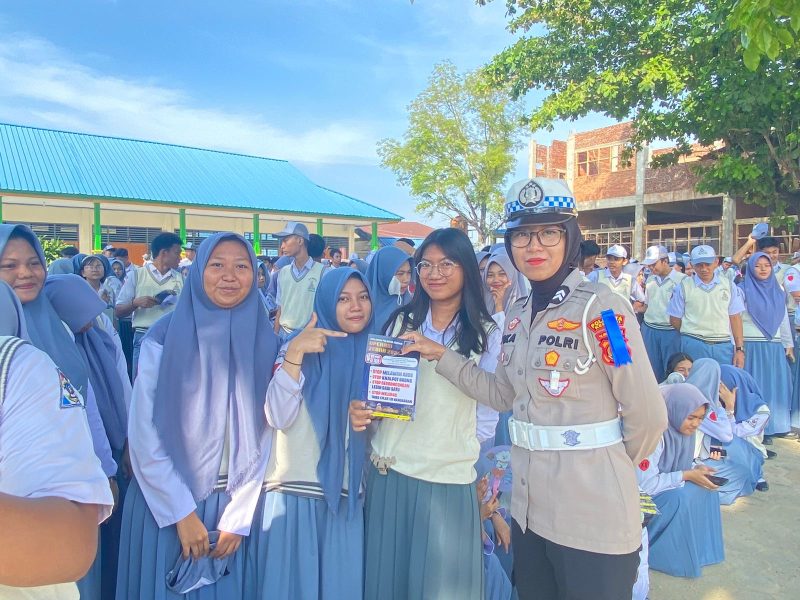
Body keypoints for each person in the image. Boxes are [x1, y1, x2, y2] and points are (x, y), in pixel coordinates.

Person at [383, 179, 668, 600]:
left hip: (593, 513)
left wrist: (604, 466)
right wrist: (439, 353)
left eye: (548, 232)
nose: (534, 245)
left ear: (569, 237)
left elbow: (647, 414)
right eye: (521, 235)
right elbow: (501, 394)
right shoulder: (516, 315)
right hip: (530, 513)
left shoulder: (601, 311)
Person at [117, 232, 279, 599]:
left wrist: (239, 517)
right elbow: (144, 431)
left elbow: (266, 432)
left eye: (241, 267)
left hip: (232, 511)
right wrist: (181, 513)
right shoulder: (163, 337)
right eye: (217, 265)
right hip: (167, 505)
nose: (229, 276)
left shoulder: (265, 341)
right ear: (198, 270)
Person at [350, 227, 499, 600]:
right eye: (425, 265)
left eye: (446, 264)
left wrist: (449, 449)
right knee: (389, 583)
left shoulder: (486, 334)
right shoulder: (400, 322)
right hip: (391, 473)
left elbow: (488, 414)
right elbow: (381, 395)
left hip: (447, 480)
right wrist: (366, 413)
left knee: (441, 587)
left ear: (466, 268)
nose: (435, 273)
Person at [0, 224, 118, 600]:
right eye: (9, 265)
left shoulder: (60, 329)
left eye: (34, 263)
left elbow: (84, 403)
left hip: (69, 488)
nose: (25, 273)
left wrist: (105, 468)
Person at [249, 268, 369, 599]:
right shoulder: (296, 347)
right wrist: (295, 356)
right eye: (343, 299)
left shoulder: (377, 355)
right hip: (294, 496)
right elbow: (277, 416)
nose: (355, 306)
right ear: (326, 302)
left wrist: (368, 419)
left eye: (363, 297)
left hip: (346, 498)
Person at [44, 274, 133, 598]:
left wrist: (128, 440)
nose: (91, 319)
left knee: (111, 537)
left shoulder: (99, 337)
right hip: (82, 462)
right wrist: (105, 468)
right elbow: (88, 411)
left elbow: (122, 385)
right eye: (82, 312)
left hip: (114, 446)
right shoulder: (57, 348)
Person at [637, 383, 724, 578]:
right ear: (674, 410)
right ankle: (666, 556)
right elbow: (644, 485)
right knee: (680, 498)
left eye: (700, 418)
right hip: (640, 499)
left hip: (662, 488)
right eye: (691, 417)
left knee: (707, 489)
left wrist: (695, 470)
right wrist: (686, 475)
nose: (695, 424)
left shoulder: (684, 433)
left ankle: (699, 553)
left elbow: (676, 465)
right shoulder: (654, 436)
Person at [686, 359, 764, 505]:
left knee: (746, 454)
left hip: (698, 453)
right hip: (688, 462)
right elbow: (726, 434)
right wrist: (727, 407)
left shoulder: (684, 393)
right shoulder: (700, 402)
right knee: (741, 475)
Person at [738, 252, 794, 438]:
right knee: (755, 386)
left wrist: (788, 344)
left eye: (767, 265)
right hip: (751, 345)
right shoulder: (742, 289)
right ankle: (756, 429)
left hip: (774, 346)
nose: (763, 269)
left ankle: (775, 426)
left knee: (774, 386)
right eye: (758, 265)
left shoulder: (778, 290)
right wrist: (737, 345)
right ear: (750, 268)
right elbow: (735, 319)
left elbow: (783, 319)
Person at [114, 232, 184, 377]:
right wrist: (135, 303)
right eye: (177, 253)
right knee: (142, 383)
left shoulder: (180, 279)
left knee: (171, 383)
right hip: (144, 335)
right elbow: (119, 311)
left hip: (172, 337)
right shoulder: (137, 275)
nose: (180, 258)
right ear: (164, 253)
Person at [667, 244, 745, 367]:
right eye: (699, 265)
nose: (704, 269)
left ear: (716, 262)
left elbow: (735, 318)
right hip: (693, 344)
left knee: (724, 378)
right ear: (692, 265)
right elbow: (674, 319)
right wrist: (691, 331)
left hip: (723, 345)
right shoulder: (682, 287)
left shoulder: (729, 286)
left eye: (707, 264)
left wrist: (739, 349)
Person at [642, 245, 687, 382]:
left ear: (665, 261)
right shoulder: (650, 279)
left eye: (654, 264)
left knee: (671, 367)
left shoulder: (682, 280)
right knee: (651, 369)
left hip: (670, 330)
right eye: (649, 265)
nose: (651, 268)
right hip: (650, 329)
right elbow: (647, 305)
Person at [273, 222, 324, 338]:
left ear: (300, 241)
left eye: (285, 240)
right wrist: (275, 336)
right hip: (283, 335)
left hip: (309, 336)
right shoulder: (283, 272)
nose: (282, 246)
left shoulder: (323, 273)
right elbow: (280, 308)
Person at [365, 246, 413, 335]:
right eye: (400, 273)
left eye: (409, 272)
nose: (406, 279)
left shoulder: (411, 304)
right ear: (383, 274)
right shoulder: (361, 305)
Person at [587, 244, 646, 309]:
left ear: (624, 261)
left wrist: (629, 311)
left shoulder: (630, 280)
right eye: (609, 258)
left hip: (622, 315)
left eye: (616, 259)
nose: (612, 262)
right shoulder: (596, 275)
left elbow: (641, 299)